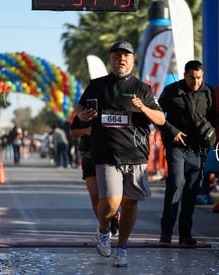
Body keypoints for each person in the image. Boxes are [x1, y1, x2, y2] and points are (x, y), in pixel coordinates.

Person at [75, 41, 165, 267]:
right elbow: (79, 107)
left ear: (132, 60)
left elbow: (161, 119)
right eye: (117, 56)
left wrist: (142, 108)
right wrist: (83, 115)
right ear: (110, 60)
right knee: (112, 202)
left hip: (136, 155)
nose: (121, 60)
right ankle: (104, 230)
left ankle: (122, 247)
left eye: (126, 56)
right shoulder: (97, 85)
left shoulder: (142, 88)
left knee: (130, 205)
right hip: (107, 154)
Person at [158, 60, 219, 245]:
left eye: (199, 77)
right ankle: (166, 233)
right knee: (176, 183)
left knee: (192, 190)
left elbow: (213, 116)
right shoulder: (172, 91)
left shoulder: (208, 91)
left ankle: (185, 234)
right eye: (192, 77)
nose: (196, 81)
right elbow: (158, 116)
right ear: (185, 75)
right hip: (176, 146)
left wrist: (214, 133)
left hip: (198, 149)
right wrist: (171, 131)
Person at [69, 114, 120, 236]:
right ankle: (104, 225)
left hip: (108, 156)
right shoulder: (84, 112)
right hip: (89, 156)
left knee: (108, 195)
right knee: (94, 194)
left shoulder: (110, 109)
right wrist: (86, 131)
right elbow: (72, 132)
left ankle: (113, 216)